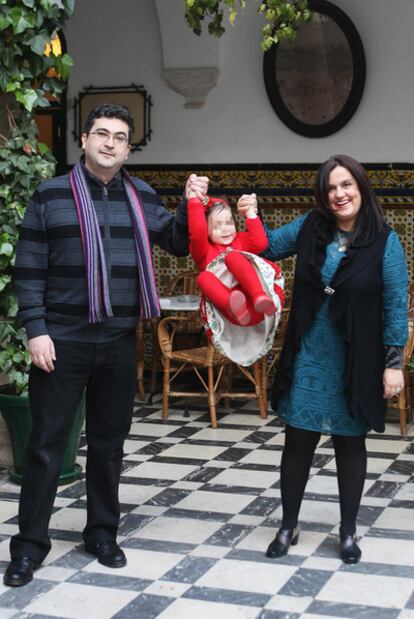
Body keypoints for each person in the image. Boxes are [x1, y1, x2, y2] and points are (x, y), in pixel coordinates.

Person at [3, 103, 208, 587]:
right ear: (84, 140)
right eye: (102, 133)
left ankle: (101, 533)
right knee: (46, 448)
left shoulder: (141, 195)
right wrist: (36, 330)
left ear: (128, 148)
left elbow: (177, 242)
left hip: (119, 341)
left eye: (119, 136)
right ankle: (29, 547)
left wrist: (190, 202)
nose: (110, 142)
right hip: (62, 340)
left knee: (109, 446)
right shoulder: (49, 195)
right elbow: (28, 269)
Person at [238, 155, 408, 564]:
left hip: (357, 359)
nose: (339, 194)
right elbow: (265, 249)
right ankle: (288, 524)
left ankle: (348, 532)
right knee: (297, 440)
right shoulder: (310, 225)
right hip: (308, 353)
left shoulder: (386, 241)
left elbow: (395, 304)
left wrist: (394, 363)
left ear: (362, 188)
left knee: (351, 445)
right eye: (331, 187)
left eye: (346, 185)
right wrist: (249, 216)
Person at [187, 190, 284, 326]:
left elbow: (261, 243)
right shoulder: (203, 251)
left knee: (233, 257)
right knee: (203, 278)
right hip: (235, 316)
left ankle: (259, 296)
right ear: (206, 230)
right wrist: (193, 200)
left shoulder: (241, 240)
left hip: (258, 305)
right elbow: (197, 234)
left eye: (229, 222)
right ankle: (234, 306)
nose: (225, 229)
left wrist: (250, 213)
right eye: (217, 226)